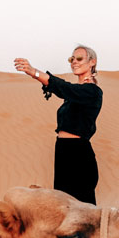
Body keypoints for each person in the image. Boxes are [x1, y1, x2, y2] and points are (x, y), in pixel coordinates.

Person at [14, 45, 102, 205]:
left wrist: (34, 72)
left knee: (82, 211)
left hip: (79, 155)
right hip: (62, 151)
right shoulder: (74, 94)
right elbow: (67, 90)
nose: (74, 62)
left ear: (92, 62)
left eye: (79, 58)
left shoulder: (93, 92)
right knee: (63, 208)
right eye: (72, 59)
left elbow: (63, 88)